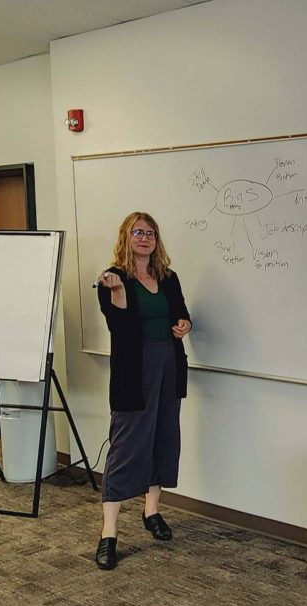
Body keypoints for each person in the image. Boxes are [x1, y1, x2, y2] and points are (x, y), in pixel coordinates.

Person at [94, 212, 192, 570]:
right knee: (127, 445)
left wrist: (183, 324)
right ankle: (109, 533)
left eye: (150, 232)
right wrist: (118, 290)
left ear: (156, 239)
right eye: (138, 232)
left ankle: (152, 512)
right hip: (134, 372)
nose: (144, 238)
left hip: (169, 364)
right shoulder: (114, 278)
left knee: (163, 437)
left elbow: (180, 313)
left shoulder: (168, 278)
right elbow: (118, 323)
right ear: (126, 236)